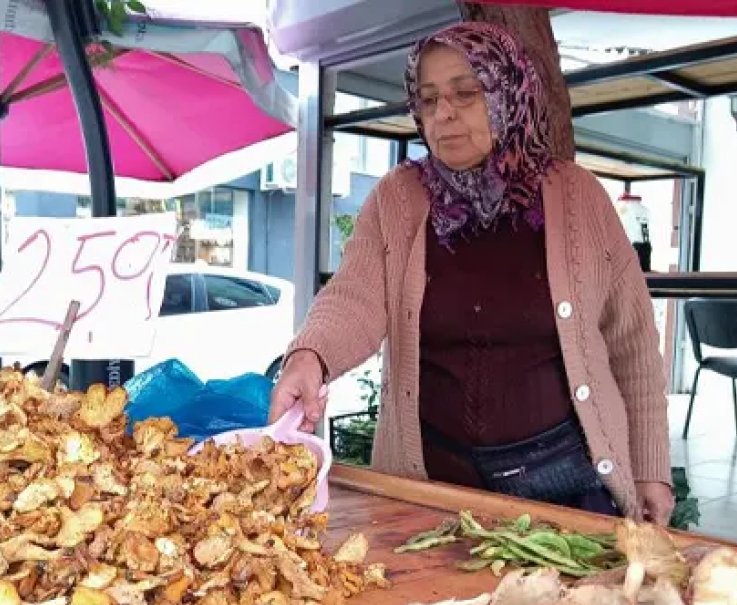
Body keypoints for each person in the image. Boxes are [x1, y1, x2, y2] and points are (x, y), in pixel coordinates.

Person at [269, 22, 673, 523]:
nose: (445, 113)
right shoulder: (398, 198)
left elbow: (632, 341)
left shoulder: (578, 197)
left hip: (563, 480)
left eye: (467, 92)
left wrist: (651, 470)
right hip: (432, 484)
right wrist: (311, 356)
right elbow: (355, 295)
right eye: (429, 98)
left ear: (509, 93)